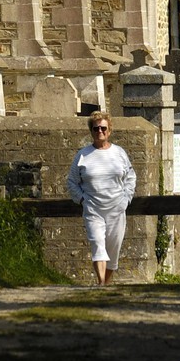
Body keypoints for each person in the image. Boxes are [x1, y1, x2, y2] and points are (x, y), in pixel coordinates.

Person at [67, 110, 137, 285]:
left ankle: (106, 283)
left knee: (113, 249)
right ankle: (100, 283)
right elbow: (72, 181)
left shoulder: (119, 153)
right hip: (93, 208)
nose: (100, 131)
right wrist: (82, 200)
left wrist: (126, 199)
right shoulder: (82, 155)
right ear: (91, 131)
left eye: (103, 128)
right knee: (97, 243)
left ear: (110, 130)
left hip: (116, 208)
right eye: (96, 128)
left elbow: (131, 177)